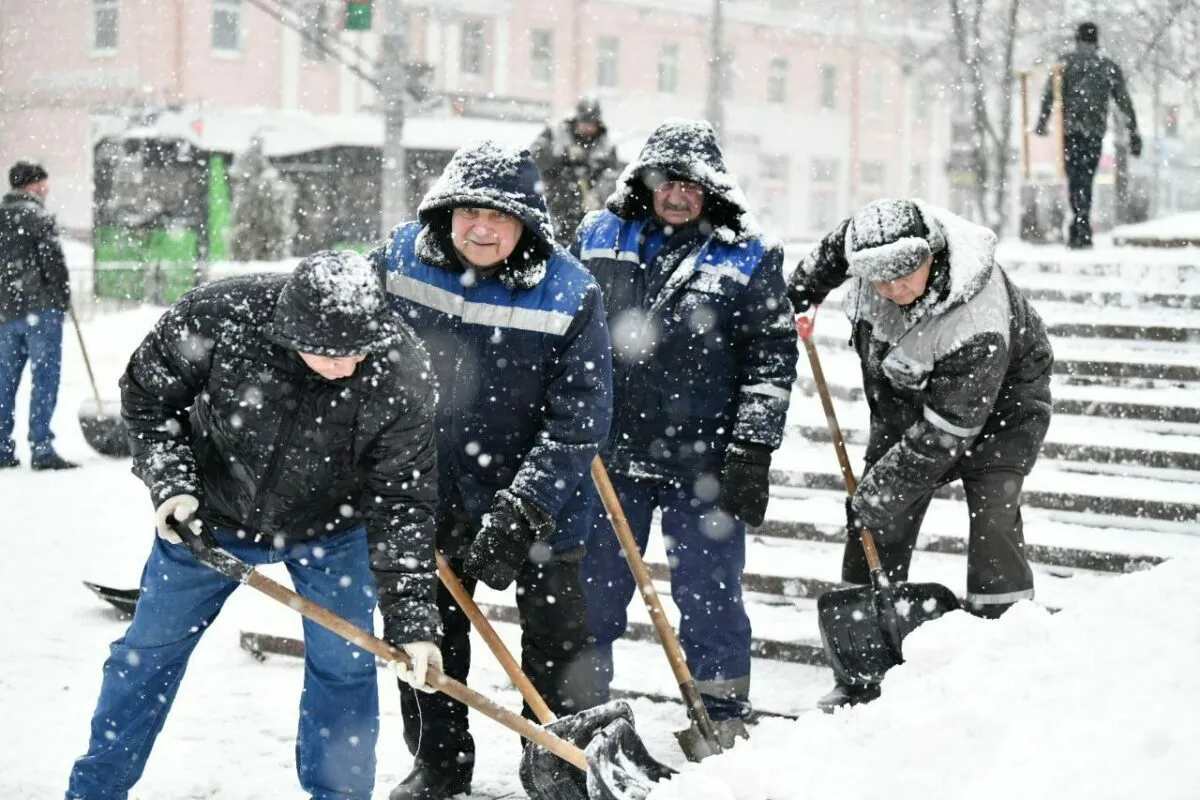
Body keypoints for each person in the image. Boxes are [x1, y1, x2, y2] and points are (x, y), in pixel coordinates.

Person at [66, 251, 442, 800]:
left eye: (356, 352)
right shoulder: (222, 316)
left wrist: (411, 620)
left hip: (332, 531)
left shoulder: (401, 371)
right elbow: (148, 396)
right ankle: (95, 790)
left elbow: (404, 501)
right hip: (209, 520)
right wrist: (172, 484)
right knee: (147, 654)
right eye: (329, 354)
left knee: (344, 671)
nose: (345, 366)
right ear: (291, 332)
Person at [373, 140, 613, 800]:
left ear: (528, 222)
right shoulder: (397, 259)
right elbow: (357, 355)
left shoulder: (570, 292)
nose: (481, 228)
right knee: (423, 641)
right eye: (468, 211)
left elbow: (580, 421)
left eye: (499, 216)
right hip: (428, 491)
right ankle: (438, 766)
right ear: (444, 211)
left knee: (559, 648)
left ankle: (562, 768)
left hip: (538, 500)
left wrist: (523, 507)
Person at [788, 198, 1054, 711]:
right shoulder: (870, 245)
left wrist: (883, 491)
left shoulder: (976, 318)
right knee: (874, 517)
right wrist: (798, 292)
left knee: (994, 511)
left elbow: (946, 434)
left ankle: (999, 644)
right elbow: (829, 255)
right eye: (879, 280)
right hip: (906, 395)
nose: (892, 289)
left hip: (1003, 407)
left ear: (931, 254)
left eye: (904, 276)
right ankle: (862, 653)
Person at [573, 118, 798, 724]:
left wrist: (752, 451)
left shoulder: (748, 254)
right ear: (645, 182)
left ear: (713, 191)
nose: (677, 195)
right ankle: (583, 711)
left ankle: (721, 713)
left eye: (692, 186)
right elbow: (564, 336)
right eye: (666, 182)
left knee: (710, 595)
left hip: (706, 460)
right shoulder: (597, 236)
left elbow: (772, 359)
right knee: (591, 594)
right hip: (609, 456)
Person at [1035, 21, 1141, 249]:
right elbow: (1124, 103)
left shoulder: (1065, 65)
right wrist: (1134, 131)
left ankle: (1079, 223)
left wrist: (1042, 121)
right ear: (1096, 40)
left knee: (1075, 177)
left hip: (1071, 132)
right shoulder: (1107, 67)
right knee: (1087, 177)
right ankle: (1082, 223)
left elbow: (1048, 96)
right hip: (1094, 132)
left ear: (1077, 39)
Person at [0, 160, 77, 470]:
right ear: (33, 185)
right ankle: (41, 447)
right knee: (44, 378)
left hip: (5, 312)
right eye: (44, 183)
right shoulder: (38, 217)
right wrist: (62, 297)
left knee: (5, 381)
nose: (47, 189)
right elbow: (53, 264)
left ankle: (2, 447)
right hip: (41, 310)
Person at [531, 95, 621, 247]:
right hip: (555, 209)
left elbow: (612, 177)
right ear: (577, 119)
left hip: (587, 216)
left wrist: (596, 195)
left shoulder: (605, 146)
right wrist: (561, 154)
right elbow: (535, 153)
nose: (588, 128)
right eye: (584, 122)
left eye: (592, 123)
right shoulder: (556, 133)